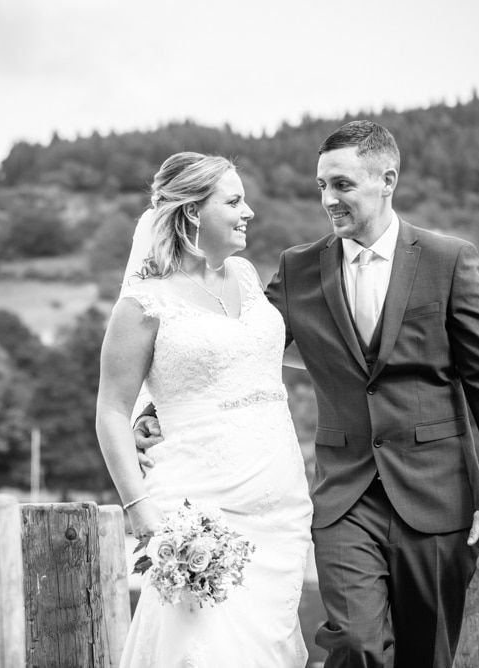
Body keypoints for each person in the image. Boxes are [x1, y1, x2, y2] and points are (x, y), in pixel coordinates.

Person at [137, 121, 479, 667]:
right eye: (322, 186)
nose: (328, 199)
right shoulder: (299, 268)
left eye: (342, 185)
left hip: (438, 492)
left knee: (428, 654)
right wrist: (161, 407)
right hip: (346, 494)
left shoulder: (449, 260)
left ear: (387, 180)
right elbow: (237, 347)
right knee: (353, 642)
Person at [96, 152, 313, 667]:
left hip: (281, 509)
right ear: (193, 211)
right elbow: (111, 410)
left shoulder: (245, 276)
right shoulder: (143, 304)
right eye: (234, 201)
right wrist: (138, 507)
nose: (248, 212)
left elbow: (251, 357)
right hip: (199, 509)